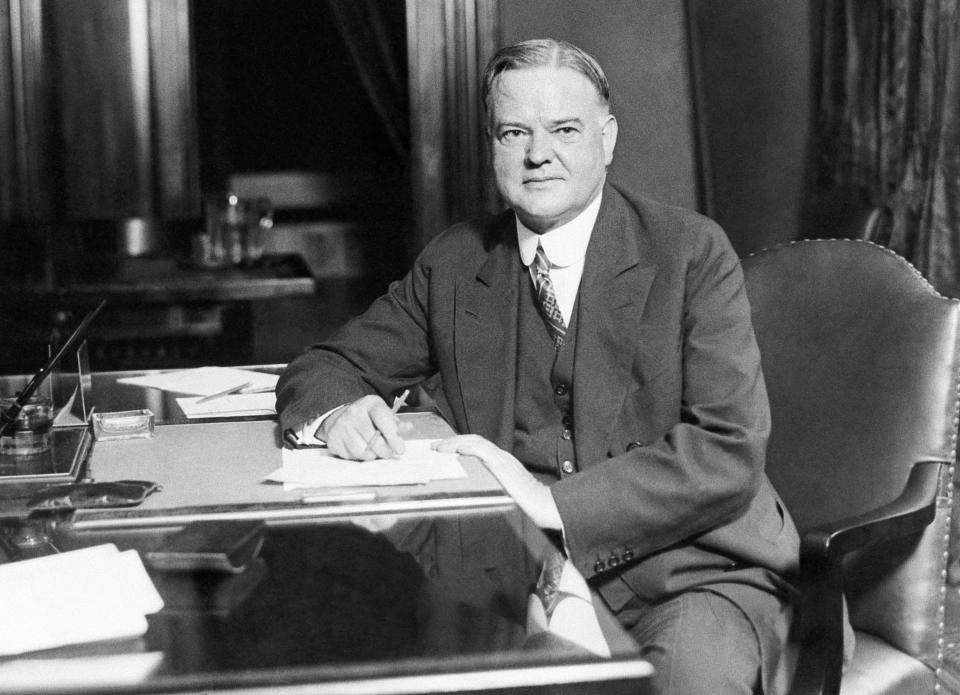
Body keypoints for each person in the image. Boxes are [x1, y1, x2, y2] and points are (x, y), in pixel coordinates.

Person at [277, 38, 800, 694]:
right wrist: (338, 415)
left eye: (564, 129)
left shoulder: (690, 252)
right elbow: (324, 366)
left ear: (606, 139)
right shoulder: (456, 264)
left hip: (696, 572)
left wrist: (551, 507)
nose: (537, 153)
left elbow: (727, 449)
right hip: (520, 579)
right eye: (514, 131)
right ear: (492, 145)